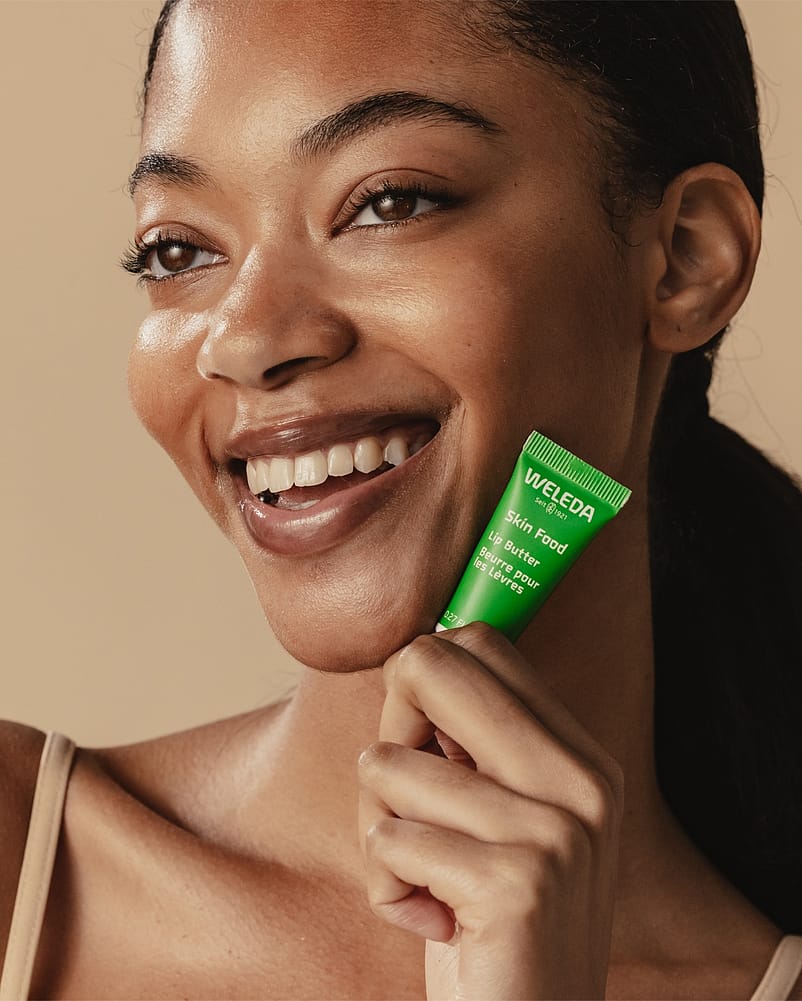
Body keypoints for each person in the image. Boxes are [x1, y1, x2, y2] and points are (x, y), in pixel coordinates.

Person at [2, 1, 801, 997]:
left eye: (388, 202)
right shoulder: (24, 865)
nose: (246, 339)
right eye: (180, 251)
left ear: (684, 257)